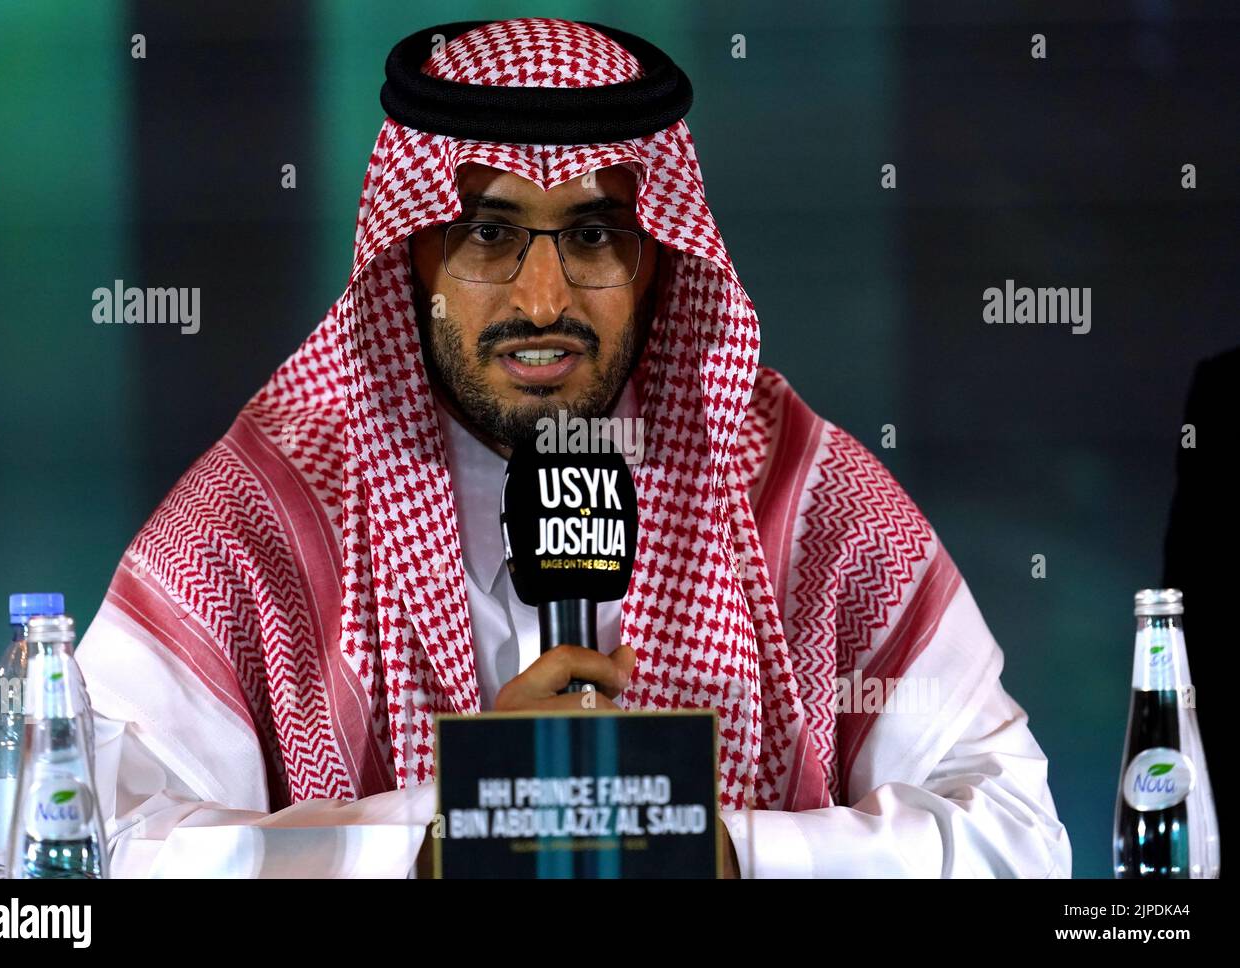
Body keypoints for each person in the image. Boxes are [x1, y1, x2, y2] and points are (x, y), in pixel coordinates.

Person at [75, 17, 1071, 878]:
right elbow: (92, 847)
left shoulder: (803, 502)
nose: (543, 300)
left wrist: (719, 849)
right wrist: (446, 832)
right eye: (488, 234)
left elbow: (1020, 838)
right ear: (408, 252)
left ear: (656, 261)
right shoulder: (260, 522)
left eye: (593, 236)